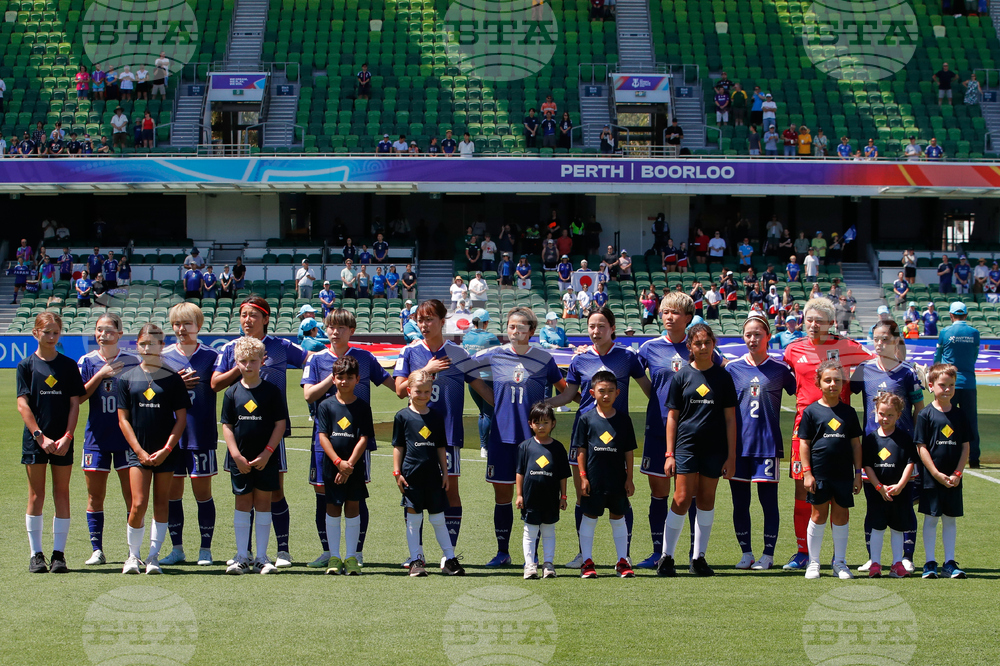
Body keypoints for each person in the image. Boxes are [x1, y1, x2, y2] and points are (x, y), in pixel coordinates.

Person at [547, 307, 651, 569]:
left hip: (617, 438)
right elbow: (568, 395)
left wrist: (672, 409)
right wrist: (542, 404)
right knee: (583, 495)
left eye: (601, 326)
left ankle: (623, 555)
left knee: (620, 498)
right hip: (584, 437)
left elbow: (648, 389)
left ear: (612, 328)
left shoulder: (628, 357)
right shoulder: (579, 360)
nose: (596, 331)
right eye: (592, 326)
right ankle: (584, 554)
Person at [393, 300, 492, 567]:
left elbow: (481, 387)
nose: (424, 325)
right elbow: (400, 388)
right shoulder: (410, 351)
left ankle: (449, 552)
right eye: (420, 320)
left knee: (450, 491)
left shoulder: (457, 353)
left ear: (442, 321)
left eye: (429, 320)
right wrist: (426, 371)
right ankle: (418, 553)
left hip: (447, 435)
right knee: (413, 493)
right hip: (414, 438)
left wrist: (509, 408)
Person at [212, 296, 308, 568]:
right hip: (242, 437)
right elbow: (215, 383)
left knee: (273, 491)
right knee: (244, 494)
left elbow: (311, 360)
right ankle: (245, 552)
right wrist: (244, 362)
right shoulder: (231, 348)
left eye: (254, 315)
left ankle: (282, 550)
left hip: (272, 435)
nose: (247, 320)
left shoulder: (281, 346)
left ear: (265, 318)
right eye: (243, 315)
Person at [469, 308, 565, 567]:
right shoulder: (494, 353)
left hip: (534, 441)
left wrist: (545, 405)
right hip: (501, 438)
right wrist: (493, 400)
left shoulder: (544, 358)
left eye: (522, 327)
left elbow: (565, 390)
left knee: (533, 498)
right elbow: (469, 373)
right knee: (503, 497)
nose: (516, 331)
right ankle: (503, 552)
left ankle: (531, 556)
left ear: (532, 331)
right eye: (512, 326)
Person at [781, 298, 871, 571]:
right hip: (805, 431)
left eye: (819, 320)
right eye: (809, 319)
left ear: (831, 323)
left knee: (838, 494)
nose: (813, 324)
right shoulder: (793, 350)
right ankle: (803, 552)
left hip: (840, 431)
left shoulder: (849, 348)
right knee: (803, 489)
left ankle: (838, 558)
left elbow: (874, 365)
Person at [632, 293, 720, 569]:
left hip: (694, 435)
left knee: (691, 495)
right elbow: (640, 380)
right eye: (665, 312)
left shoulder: (698, 347)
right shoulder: (648, 348)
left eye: (675, 312)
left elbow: (724, 372)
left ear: (687, 317)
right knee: (659, 492)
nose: (669, 317)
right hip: (659, 429)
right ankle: (659, 552)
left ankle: (696, 554)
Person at [302, 309, 395, 568]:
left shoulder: (365, 358)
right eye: (331, 326)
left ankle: (356, 552)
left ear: (351, 330)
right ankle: (328, 552)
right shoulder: (316, 359)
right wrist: (331, 380)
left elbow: (393, 385)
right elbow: (309, 395)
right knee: (323, 494)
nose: (335, 331)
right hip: (326, 441)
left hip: (358, 440)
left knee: (356, 495)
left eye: (341, 327)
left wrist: (417, 383)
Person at [656, 323, 737, 577]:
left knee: (706, 500)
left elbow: (731, 419)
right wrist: (669, 454)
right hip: (685, 447)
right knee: (681, 498)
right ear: (689, 346)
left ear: (714, 344)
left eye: (707, 342)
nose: (703, 347)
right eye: (698, 343)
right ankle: (666, 557)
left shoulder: (724, 377)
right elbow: (672, 417)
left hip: (714, 449)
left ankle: (698, 558)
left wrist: (731, 456)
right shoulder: (681, 376)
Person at [850, 320, 924, 574]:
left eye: (885, 339)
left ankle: (906, 558)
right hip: (872, 450)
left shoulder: (908, 372)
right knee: (874, 507)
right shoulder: (863, 369)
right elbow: (846, 395)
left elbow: (920, 411)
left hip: (902, 451)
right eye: (876, 338)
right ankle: (874, 559)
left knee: (903, 506)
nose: (879, 343)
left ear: (895, 341)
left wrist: (917, 443)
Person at [117, 323, 190, 575]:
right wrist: (138, 451)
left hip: (165, 453)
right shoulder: (126, 378)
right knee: (138, 504)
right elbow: (123, 419)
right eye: (143, 343)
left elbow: (181, 419)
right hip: (138, 452)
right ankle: (133, 557)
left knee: (161, 502)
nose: (148, 348)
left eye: (154, 343)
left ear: (162, 346)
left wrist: (167, 449)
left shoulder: (172, 379)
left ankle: (153, 557)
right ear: (137, 345)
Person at [726, 315, 796, 571]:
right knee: (740, 502)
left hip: (767, 446)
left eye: (758, 334)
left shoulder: (780, 370)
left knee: (768, 502)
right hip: (738, 447)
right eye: (748, 335)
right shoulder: (732, 369)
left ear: (768, 336)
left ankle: (768, 555)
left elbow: (803, 393)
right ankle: (746, 553)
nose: (753, 339)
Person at [18, 313, 86, 573]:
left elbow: (74, 404)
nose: (51, 336)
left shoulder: (68, 366)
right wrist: (40, 436)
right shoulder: (26, 365)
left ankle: (59, 555)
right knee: (36, 494)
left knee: (62, 492)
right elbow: (22, 404)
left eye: (55, 332)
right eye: (46, 331)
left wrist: (67, 437)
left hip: (62, 441)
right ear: (36, 333)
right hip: (36, 440)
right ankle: (36, 555)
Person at [156, 303, 220, 567]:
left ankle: (205, 549)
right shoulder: (163, 356)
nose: (181, 329)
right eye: (176, 324)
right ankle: (177, 549)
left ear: (199, 325)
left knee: (202, 493)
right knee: (174, 493)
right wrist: (173, 385)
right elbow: (150, 392)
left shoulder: (212, 356)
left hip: (201, 433)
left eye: (187, 324)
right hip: (170, 436)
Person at [219, 336, 286, 575]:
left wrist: (268, 453)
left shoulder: (271, 391)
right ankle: (241, 557)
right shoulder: (232, 393)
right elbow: (226, 425)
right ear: (236, 362)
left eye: (253, 361)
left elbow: (280, 423)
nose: (248, 365)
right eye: (243, 361)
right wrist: (235, 455)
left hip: (265, 458)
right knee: (243, 503)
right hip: (241, 459)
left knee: (263, 503)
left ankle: (261, 557)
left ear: (262, 361)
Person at [78, 314, 140, 566]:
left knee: (131, 496)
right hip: (96, 438)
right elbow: (79, 397)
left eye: (109, 330)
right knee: (95, 495)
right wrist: (100, 375)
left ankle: (132, 552)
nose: (103, 334)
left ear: (119, 334)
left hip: (127, 439)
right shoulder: (87, 361)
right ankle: (97, 550)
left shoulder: (132, 361)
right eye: (99, 330)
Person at [393, 370, 466, 577]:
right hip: (411, 475)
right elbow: (398, 446)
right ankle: (416, 560)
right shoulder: (402, 416)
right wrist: (397, 472)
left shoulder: (435, 416)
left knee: (438, 519)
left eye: (427, 391)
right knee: (414, 519)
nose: (423, 395)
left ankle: (449, 559)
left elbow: (440, 447)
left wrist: (445, 472)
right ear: (409, 391)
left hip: (433, 476)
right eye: (418, 391)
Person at [798, 359, 864, 579]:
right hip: (819, 474)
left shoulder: (849, 412)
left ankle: (840, 563)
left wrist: (858, 474)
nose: (832, 384)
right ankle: (813, 563)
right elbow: (804, 443)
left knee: (841, 515)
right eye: (827, 380)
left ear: (843, 383)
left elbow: (856, 444)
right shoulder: (811, 412)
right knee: (818, 515)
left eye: (837, 380)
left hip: (844, 475)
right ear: (819, 383)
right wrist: (807, 473)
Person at [314, 355, 374, 576]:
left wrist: (349, 465)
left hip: (354, 466)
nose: (344, 381)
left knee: (352, 507)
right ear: (333, 378)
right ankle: (334, 557)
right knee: (332, 508)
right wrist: (339, 463)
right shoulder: (325, 405)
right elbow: (323, 437)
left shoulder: (362, 407)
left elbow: (363, 438)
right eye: (340, 377)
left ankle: (350, 557)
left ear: (357, 379)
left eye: (349, 377)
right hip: (333, 466)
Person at [574, 370, 637, 579]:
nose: (606, 395)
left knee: (618, 517)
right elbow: (581, 450)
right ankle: (587, 562)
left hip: (617, 478)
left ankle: (622, 561)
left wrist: (629, 478)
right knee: (590, 517)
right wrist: (583, 476)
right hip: (593, 478)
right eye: (602, 391)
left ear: (618, 393)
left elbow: (629, 451)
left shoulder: (624, 420)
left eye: (611, 391)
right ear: (592, 392)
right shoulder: (586, 419)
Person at [914, 364, 969, 579]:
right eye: (942, 385)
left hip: (954, 479)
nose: (947, 389)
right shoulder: (925, 415)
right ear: (931, 385)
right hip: (932, 479)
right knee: (931, 519)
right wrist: (936, 473)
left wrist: (957, 473)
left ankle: (949, 563)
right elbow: (921, 447)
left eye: (951, 385)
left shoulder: (960, 415)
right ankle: (929, 563)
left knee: (950, 519)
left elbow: (965, 446)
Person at [861, 393, 918, 578]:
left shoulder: (905, 438)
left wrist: (900, 485)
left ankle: (896, 563)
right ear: (875, 413)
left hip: (900, 492)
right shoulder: (870, 439)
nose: (885, 418)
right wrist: (879, 487)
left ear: (899, 415)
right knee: (877, 527)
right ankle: (875, 563)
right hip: (877, 491)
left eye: (890, 415)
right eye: (881, 414)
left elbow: (910, 462)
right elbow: (867, 465)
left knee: (898, 528)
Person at [516, 403, 569, 579]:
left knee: (548, 532)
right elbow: (520, 472)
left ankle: (548, 564)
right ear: (530, 424)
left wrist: (563, 496)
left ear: (553, 423)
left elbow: (563, 475)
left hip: (550, 499)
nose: (541, 426)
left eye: (545, 422)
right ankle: (530, 565)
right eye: (537, 422)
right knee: (529, 532)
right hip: (531, 498)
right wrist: (519, 495)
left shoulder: (558, 448)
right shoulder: (525, 446)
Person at [934, 302, 980, 467]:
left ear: (951, 315)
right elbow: (974, 356)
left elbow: (937, 357)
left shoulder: (946, 332)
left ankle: (946, 453)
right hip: (968, 383)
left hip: (947, 384)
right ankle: (974, 458)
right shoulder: (974, 333)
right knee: (970, 421)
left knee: (946, 419)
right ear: (966, 315)